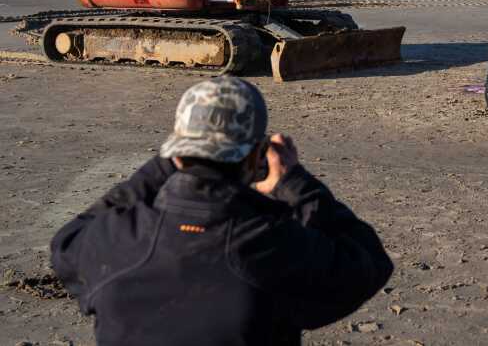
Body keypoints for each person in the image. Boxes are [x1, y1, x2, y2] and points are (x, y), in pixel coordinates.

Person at [50, 76, 393, 345]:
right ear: (256, 157)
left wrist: (162, 167)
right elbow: (367, 261)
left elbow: (66, 241)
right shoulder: (274, 245)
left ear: (177, 153)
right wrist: (296, 183)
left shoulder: (110, 241)